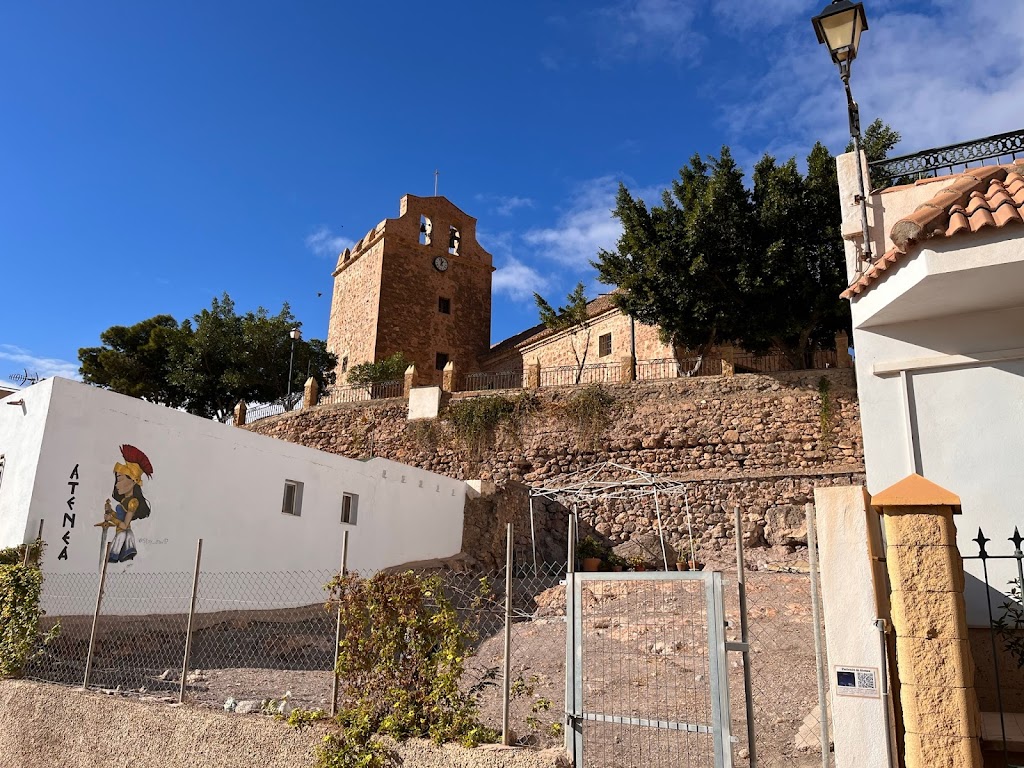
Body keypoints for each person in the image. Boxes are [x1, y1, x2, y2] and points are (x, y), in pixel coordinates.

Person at [96, 444, 154, 563]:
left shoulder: (133, 503)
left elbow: (123, 525)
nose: (117, 484)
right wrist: (110, 511)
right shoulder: (124, 501)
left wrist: (111, 517)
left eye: (120, 479)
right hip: (122, 533)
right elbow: (119, 517)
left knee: (112, 555)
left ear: (133, 482)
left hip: (123, 533)